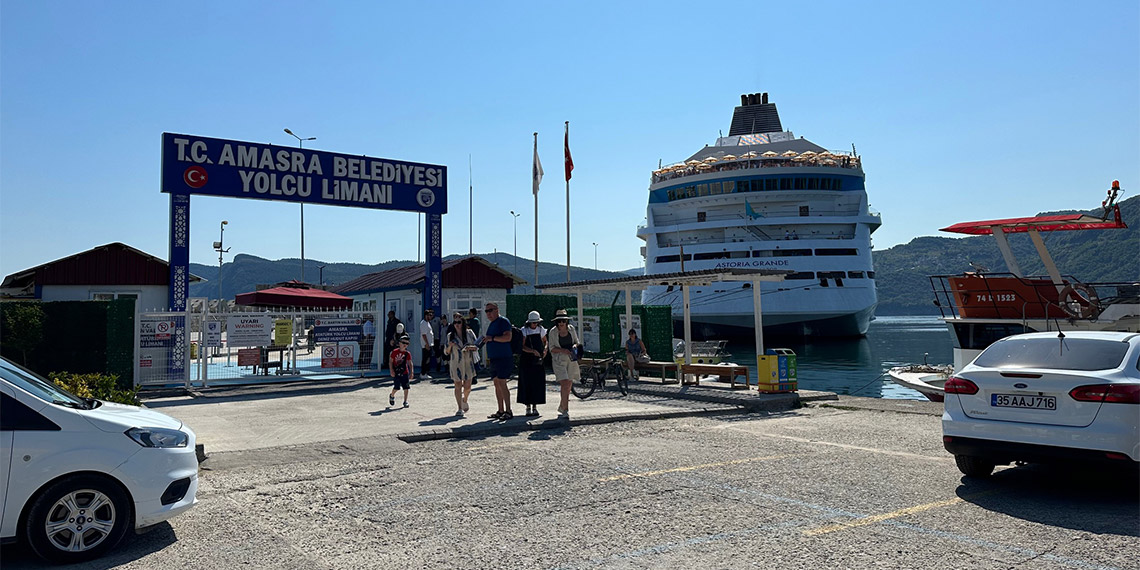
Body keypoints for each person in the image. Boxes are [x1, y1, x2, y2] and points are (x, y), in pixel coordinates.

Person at [481, 302, 514, 420]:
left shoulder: (503, 322)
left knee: (502, 382)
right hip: (494, 358)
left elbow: (508, 337)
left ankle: (508, 410)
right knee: (496, 383)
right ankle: (500, 410)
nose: (488, 313)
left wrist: (492, 338)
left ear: (497, 310)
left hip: (503, 357)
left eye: (490, 310)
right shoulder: (492, 324)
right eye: (486, 311)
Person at [546, 309, 581, 417]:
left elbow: (577, 341)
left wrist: (575, 346)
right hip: (559, 360)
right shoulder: (553, 332)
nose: (561, 323)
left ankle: (562, 406)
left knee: (569, 384)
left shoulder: (571, 329)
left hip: (571, 359)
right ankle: (566, 409)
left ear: (566, 322)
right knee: (564, 383)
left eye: (563, 321)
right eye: (559, 321)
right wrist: (562, 350)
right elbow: (551, 348)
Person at [446, 315, 479, 416]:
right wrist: (450, 346)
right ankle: (459, 408)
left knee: (468, 386)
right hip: (456, 363)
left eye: (459, 322)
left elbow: (477, 345)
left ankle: (464, 400)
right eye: (455, 322)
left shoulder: (469, 333)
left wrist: (469, 347)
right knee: (458, 385)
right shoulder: (450, 335)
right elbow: (446, 352)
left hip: (468, 362)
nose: (457, 325)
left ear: (463, 323)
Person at [517, 311, 548, 417]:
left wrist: (545, 350)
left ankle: (535, 406)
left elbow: (545, 342)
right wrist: (531, 351)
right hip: (527, 360)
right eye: (533, 323)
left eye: (536, 323)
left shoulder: (541, 330)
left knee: (537, 383)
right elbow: (522, 346)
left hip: (538, 360)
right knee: (526, 382)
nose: (535, 325)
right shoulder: (524, 330)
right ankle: (527, 407)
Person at [388, 334, 413, 408]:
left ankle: (405, 401)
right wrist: (391, 370)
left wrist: (411, 372)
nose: (405, 345)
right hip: (396, 372)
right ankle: (392, 395)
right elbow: (391, 362)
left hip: (404, 372)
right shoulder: (394, 352)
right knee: (396, 387)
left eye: (407, 343)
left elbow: (410, 363)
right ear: (399, 343)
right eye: (403, 343)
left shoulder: (407, 353)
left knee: (406, 387)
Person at [419, 309, 434, 378]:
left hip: (430, 344)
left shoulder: (428, 323)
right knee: (425, 359)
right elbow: (424, 335)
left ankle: (426, 372)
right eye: (429, 315)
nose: (431, 317)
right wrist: (427, 344)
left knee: (428, 358)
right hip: (426, 344)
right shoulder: (423, 323)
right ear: (426, 315)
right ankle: (423, 373)